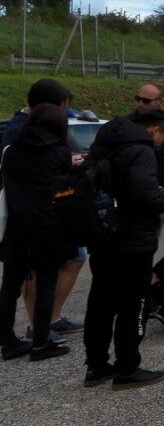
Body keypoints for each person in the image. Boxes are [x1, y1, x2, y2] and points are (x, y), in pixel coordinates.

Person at [83, 110, 164, 390]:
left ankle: (97, 365)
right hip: (133, 240)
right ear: (155, 131)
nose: (160, 146)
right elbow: (142, 195)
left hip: (102, 236)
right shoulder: (141, 151)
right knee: (133, 303)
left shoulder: (100, 147)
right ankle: (127, 368)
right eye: (163, 139)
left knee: (100, 302)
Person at [1, 78, 87, 344]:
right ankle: (38, 334)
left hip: (25, 222)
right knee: (38, 275)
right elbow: (47, 183)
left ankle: (39, 325)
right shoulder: (28, 137)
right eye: (62, 108)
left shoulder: (23, 142)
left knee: (70, 261)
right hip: (41, 222)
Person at [125, 82, 164, 187]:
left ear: (160, 101)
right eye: (138, 99)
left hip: (163, 179)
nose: (140, 104)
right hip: (136, 183)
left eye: (146, 101)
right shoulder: (126, 123)